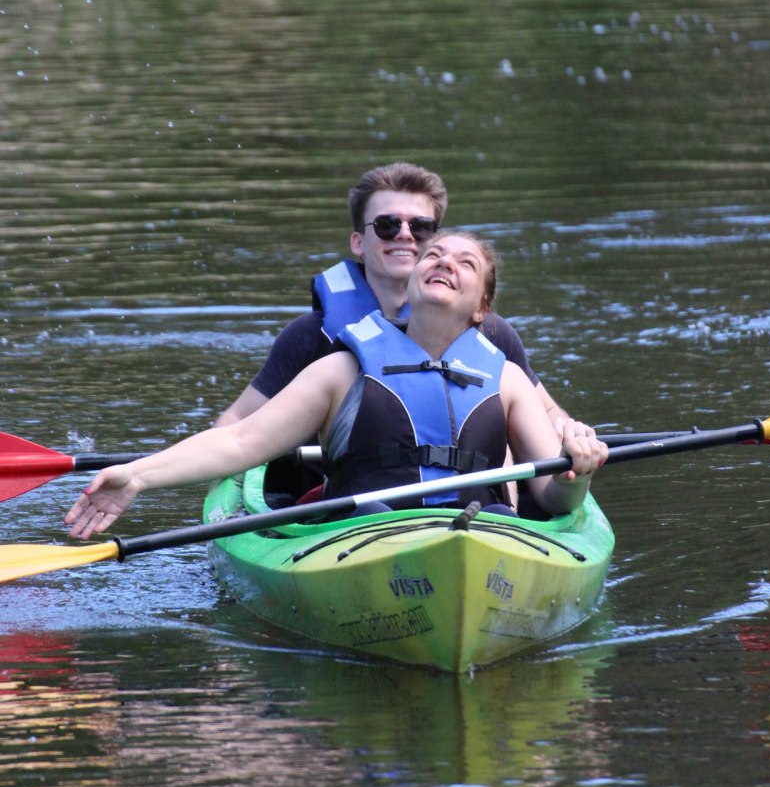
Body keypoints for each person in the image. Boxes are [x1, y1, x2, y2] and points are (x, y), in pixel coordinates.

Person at [65, 232, 608, 540]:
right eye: (433, 256)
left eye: (464, 263)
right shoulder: (341, 370)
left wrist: (578, 473)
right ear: (410, 285)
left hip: (489, 538)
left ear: (481, 309)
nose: (444, 262)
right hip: (361, 538)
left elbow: (551, 496)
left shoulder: (507, 380)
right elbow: (238, 444)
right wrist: (137, 476)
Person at [215, 162, 590, 449]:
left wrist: (568, 432)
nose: (405, 235)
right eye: (387, 225)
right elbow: (235, 422)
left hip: (470, 503)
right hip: (334, 508)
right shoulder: (310, 337)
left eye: (422, 227)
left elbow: (549, 413)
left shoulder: (487, 333)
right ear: (359, 242)